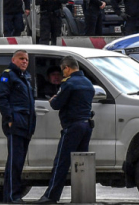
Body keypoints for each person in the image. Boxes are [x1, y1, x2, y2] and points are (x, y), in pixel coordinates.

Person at [37, 56, 95, 205]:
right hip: (86, 125)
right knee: (82, 162)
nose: (63, 75)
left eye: (63, 71)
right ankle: (83, 197)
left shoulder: (69, 84)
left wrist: (53, 99)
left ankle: (51, 197)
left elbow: (57, 104)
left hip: (73, 127)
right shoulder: (88, 83)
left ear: (67, 68)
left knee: (61, 162)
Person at [0, 50, 36, 205]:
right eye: (21, 59)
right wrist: (10, 119)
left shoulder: (25, 77)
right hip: (16, 124)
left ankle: (10, 197)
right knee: (15, 162)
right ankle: (13, 197)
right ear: (13, 59)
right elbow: (1, 98)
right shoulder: (8, 75)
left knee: (17, 162)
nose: (24, 62)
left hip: (26, 125)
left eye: (26, 59)